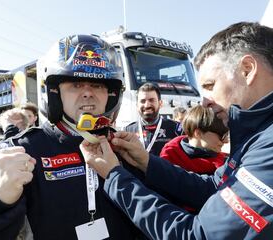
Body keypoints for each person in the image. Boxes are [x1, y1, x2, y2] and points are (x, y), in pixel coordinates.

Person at [79, 22, 273, 239]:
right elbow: (213, 188)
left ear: (247, 70)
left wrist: (115, 177)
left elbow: (197, 235)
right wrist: (146, 161)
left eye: (210, 86)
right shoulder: (256, 135)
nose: (204, 101)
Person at [0, 35, 144, 239]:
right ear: (55, 93)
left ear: (112, 95)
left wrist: (147, 165)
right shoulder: (19, 150)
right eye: (75, 84)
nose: (87, 93)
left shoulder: (124, 147)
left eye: (98, 85)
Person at [160, 105, 229, 174]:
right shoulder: (169, 158)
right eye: (222, 135)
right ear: (198, 133)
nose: (226, 141)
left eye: (227, 134)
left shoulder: (227, 163)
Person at [124, 83, 182, 155]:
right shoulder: (128, 131)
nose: (147, 105)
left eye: (151, 100)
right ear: (137, 105)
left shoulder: (176, 129)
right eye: (142, 101)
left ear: (160, 103)